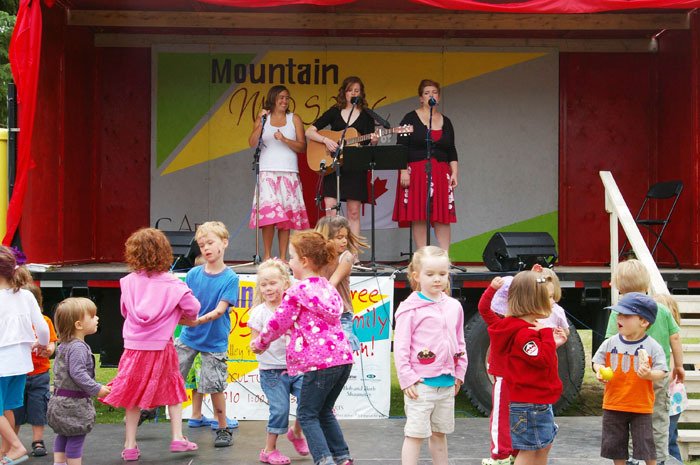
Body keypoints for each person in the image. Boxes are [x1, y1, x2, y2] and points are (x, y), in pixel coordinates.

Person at [251, 231, 354, 465]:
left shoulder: (296, 291)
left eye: (292, 258)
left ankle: (324, 459)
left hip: (320, 363)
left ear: (305, 261)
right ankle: (343, 456)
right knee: (325, 410)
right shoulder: (328, 288)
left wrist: (260, 342)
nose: (290, 263)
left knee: (307, 415)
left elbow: (278, 322)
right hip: (343, 359)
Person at [102, 228, 201, 460]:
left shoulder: (127, 282)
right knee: (173, 389)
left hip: (134, 347)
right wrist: (178, 314)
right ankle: (177, 437)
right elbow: (193, 309)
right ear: (164, 253)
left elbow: (125, 311)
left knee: (133, 396)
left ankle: (129, 445)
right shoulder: (173, 284)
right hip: (161, 346)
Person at [393, 246, 468, 465]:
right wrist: (407, 378)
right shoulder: (410, 309)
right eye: (430, 274)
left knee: (439, 434)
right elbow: (401, 347)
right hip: (421, 385)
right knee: (415, 434)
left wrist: (459, 374)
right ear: (416, 276)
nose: (437, 279)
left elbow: (460, 342)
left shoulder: (454, 307)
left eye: (443, 274)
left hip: (446, 384)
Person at [604, 259, 684, 465]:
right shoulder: (662, 309)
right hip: (657, 377)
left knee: (628, 418)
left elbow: (610, 344)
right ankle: (658, 459)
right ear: (646, 284)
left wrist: (605, 370)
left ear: (620, 287)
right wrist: (679, 365)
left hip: (630, 379)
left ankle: (633, 458)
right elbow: (675, 337)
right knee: (656, 418)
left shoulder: (618, 313)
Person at [488, 270, 567, 465]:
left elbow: (535, 359)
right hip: (529, 405)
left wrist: (550, 340)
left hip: (537, 402)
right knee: (529, 451)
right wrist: (548, 335)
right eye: (548, 297)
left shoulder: (529, 330)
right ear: (533, 301)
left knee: (542, 446)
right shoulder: (524, 334)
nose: (552, 302)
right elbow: (542, 360)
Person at [176, 221, 240, 448]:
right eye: (202, 245)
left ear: (224, 242)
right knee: (173, 376)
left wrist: (195, 321)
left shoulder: (230, 278)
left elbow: (220, 310)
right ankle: (148, 409)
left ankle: (222, 429)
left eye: (210, 242)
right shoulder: (193, 274)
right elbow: (185, 302)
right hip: (188, 338)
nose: (206, 248)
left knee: (214, 386)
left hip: (214, 341)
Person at [593, 292, 668, 465]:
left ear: (644, 322)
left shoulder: (652, 346)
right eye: (619, 314)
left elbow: (662, 371)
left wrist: (649, 375)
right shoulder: (610, 342)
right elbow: (597, 361)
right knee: (615, 444)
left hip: (640, 405)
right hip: (614, 402)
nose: (619, 318)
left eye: (626, 315)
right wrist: (600, 371)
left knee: (646, 444)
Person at [248, 259, 309, 465]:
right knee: (280, 410)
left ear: (285, 282)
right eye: (263, 284)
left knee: (309, 402)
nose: (268, 288)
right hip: (272, 371)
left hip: (297, 367)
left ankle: (297, 433)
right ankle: (268, 449)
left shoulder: (294, 308)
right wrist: (256, 345)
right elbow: (255, 340)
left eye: (272, 283)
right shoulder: (259, 313)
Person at [305, 76, 378, 238]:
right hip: (334, 166)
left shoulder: (367, 116)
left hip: (355, 168)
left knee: (353, 213)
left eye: (357, 90)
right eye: (350, 90)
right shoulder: (334, 112)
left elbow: (367, 147)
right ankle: (331, 249)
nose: (353, 93)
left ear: (361, 94)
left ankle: (353, 255)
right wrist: (326, 140)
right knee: (330, 209)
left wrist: (373, 142)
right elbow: (309, 131)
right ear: (344, 93)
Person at [392, 79, 458, 251]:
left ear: (439, 97)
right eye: (427, 93)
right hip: (416, 172)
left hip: (441, 171)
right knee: (419, 214)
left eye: (434, 92)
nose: (431, 95)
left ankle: (444, 256)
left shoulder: (447, 121)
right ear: (421, 98)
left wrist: (455, 173)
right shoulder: (410, 118)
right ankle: (422, 254)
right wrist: (403, 171)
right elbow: (401, 147)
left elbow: (451, 150)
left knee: (442, 215)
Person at [248, 85, 310, 262]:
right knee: (269, 216)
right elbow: (252, 142)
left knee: (285, 219)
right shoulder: (263, 118)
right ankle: (267, 256)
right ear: (273, 98)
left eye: (287, 98)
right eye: (281, 97)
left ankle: (283, 257)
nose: (284, 101)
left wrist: (284, 139)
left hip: (289, 172)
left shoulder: (294, 118)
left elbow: (302, 146)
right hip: (267, 172)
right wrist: (261, 122)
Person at [0, 245, 49, 465]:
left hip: (1, 361)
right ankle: (5, 450)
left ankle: (17, 447)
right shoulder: (26, 295)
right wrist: (42, 344)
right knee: (8, 406)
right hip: (21, 362)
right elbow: (43, 328)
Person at [47, 297, 110, 465]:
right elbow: (78, 373)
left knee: (63, 434)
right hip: (73, 404)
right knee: (76, 435)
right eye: (92, 316)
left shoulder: (65, 345)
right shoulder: (78, 347)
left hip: (58, 402)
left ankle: (59, 463)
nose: (97, 318)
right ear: (78, 325)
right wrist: (96, 389)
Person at [12, 284, 57, 458]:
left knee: (38, 407)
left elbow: (52, 342)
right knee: (15, 408)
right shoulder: (14, 322)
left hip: (39, 374)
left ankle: (38, 441)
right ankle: (12, 441)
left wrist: (50, 349)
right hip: (18, 373)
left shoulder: (44, 321)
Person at [315, 215, 368, 351]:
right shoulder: (317, 259)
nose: (344, 241)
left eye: (346, 237)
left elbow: (331, 285)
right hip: (320, 312)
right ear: (326, 238)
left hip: (341, 313)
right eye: (339, 238)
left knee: (342, 350)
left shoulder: (346, 257)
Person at [653, 293, 686, 464]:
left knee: (664, 440)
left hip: (670, 400)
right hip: (675, 400)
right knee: (671, 439)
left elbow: (670, 372)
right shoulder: (669, 343)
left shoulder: (669, 348)